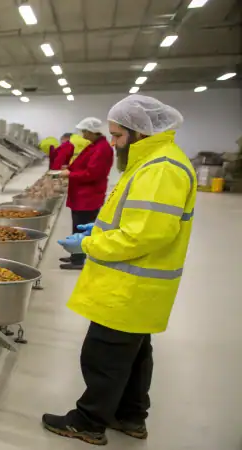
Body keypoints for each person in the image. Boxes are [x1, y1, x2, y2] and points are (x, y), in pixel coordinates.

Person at [42, 95, 196, 446]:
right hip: (137, 284)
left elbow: (144, 234)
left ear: (139, 132)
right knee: (135, 354)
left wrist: (89, 245)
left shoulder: (160, 169)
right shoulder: (155, 160)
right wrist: (95, 229)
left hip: (130, 282)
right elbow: (135, 217)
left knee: (104, 356)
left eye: (117, 135)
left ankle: (89, 421)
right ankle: (130, 416)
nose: (112, 142)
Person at [59, 118, 114, 270]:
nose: (83, 134)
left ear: (92, 132)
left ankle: (78, 260)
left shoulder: (102, 149)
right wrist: (69, 169)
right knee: (77, 226)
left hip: (88, 196)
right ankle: (75, 255)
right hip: (80, 194)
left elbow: (92, 174)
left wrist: (69, 175)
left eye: (84, 131)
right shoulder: (95, 146)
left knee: (81, 228)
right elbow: (82, 165)